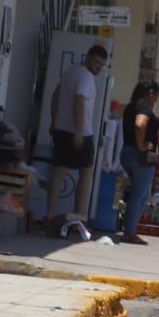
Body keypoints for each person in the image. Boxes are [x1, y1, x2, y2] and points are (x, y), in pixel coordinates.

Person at [49, 45, 107, 220]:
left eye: (101, 65)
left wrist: (54, 121)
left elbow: (55, 95)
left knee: (59, 171)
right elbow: (79, 101)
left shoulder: (70, 72)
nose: (98, 67)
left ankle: (49, 215)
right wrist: (80, 131)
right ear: (88, 57)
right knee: (86, 172)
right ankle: (78, 215)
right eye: (96, 62)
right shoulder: (86, 77)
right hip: (81, 131)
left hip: (60, 128)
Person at [120, 81, 159, 245]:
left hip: (127, 153)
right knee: (139, 195)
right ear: (150, 93)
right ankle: (129, 232)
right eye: (156, 96)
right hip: (139, 157)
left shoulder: (131, 106)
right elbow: (140, 124)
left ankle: (130, 229)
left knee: (143, 194)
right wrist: (141, 144)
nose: (155, 100)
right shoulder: (144, 107)